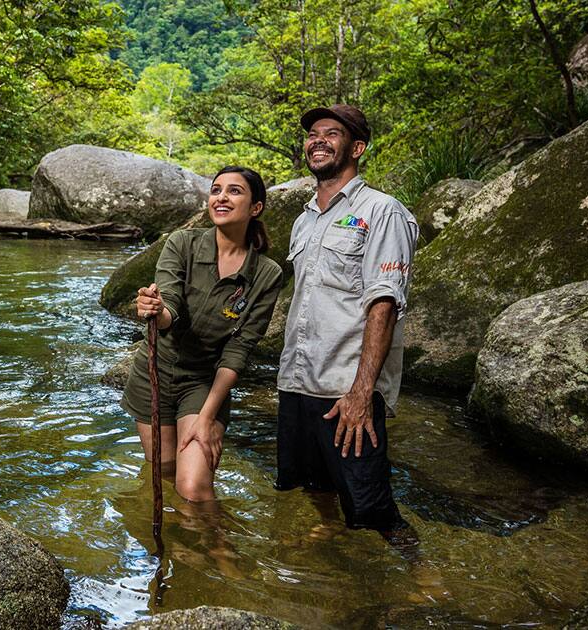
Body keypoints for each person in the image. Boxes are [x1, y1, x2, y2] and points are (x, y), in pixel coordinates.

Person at [276, 104, 419, 536]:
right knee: (313, 489)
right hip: (297, 384)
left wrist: (361, 394)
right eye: (312, 133)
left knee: (372, 511)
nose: (317, 139)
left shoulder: (383, 211)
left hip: (345, 390)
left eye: (331, 133)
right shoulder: (304, 219)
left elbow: (384, 303)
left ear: (356, 147)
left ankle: (418, 581)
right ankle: (333, 554)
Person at [122, 166, 283, 502]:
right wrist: (154, 310)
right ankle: (178, 551)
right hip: (153, 375)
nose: (221, 197)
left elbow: (239, 350)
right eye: (216, 190)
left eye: (234, 191)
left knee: (193, 488)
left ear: (256, 208)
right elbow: (171, 310)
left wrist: (207, 417)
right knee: (162, 472)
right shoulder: (182, 244)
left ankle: (221, 556)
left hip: (203, 383)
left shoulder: (267, 274)